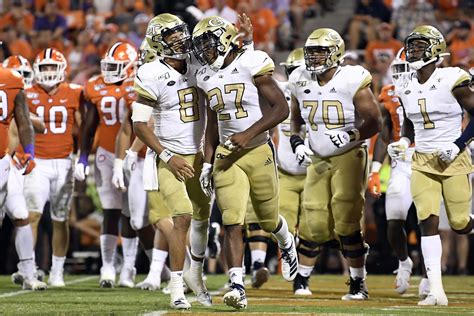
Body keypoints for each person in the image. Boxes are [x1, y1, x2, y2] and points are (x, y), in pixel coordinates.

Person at [193, 16, 298, 310]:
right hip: (227, 156)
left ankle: (286, 240)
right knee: (231, 220)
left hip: (258, 149)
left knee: (267, 219)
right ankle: (238, 285)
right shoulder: (205, 76)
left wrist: (248, 133)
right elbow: (212, 123)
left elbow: (282, 108)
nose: (204, 50)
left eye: (207, 43)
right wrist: (206, 161)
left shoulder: (252, 62)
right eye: (200, 45)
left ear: (225, 40)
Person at [289, 28, 381, 300]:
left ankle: (357, 282)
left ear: (337, 53)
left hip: (349, 154)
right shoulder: (299, 77)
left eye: (321, 51)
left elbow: (376, 122)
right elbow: (296, 117)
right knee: (313, 221)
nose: (315, 58)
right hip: (318, 156)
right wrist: (298, 142)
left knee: (346, 219)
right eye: (312, 52)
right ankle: (302, 278)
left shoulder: (353, 78)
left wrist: (351, 134)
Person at [388, 25, 474, 306]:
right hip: (422, 160)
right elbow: (412, 123)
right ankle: (436, 289)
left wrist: (459, 143)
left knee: (460, 223)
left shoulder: (452, 78)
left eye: (419, 46)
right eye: (411, 46)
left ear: (435, 49)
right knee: (427, 221)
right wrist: (403, 140)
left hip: (453, 158)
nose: (413, 51)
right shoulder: (406, 84)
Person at [132, 13, 212, 310]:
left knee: (204, 217)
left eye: (181, 32)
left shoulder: (200, 60)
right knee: (182, 216)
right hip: (170, 155)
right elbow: (139, 124)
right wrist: (168, 155)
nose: (179, 38)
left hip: (201, 153)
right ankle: (176, 288)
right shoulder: (150, 72)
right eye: (171, 35)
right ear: (158, 41)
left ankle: (197, 276)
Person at [74, 41, 140, 288]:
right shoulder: (95, 86)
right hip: (105, 154)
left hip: (134, 154)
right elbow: (89, 127)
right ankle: (108, 266)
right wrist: (81, 157)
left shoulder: (138, 84)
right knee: (110, 211)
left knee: (133, 213)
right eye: (109, 65)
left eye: (117, 65)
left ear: (131, 66)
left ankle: (130, 268)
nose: (110, 70)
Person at [368, 51, 430, 296]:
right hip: (402, 162)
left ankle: (429, 275)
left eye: (406, 67)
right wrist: (375, 171)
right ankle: (404, 262)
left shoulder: (437, 88)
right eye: (399, 68)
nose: (402, 73)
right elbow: (385, 134)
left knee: (428, 222)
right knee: (394, 221)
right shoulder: (389, 93)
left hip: (428, 160)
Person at [23, 48, 84, 287]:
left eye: (52, 66)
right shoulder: (26, 93)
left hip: (64, 161)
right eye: (44, 67)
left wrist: (82, 157)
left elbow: (84, 127)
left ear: (61, 69)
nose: (48, 71)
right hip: (37, 161)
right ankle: (29, 269)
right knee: (32, 216)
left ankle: (57, 271)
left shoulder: (75, 92)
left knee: (60, 218)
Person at [0, 66, 47, 291]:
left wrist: (28, 152)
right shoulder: (11, 79)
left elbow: (25, 121)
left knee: (20, 214)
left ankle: (29, 273)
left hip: (5, 161)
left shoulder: (12, 80)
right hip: (5, 160)